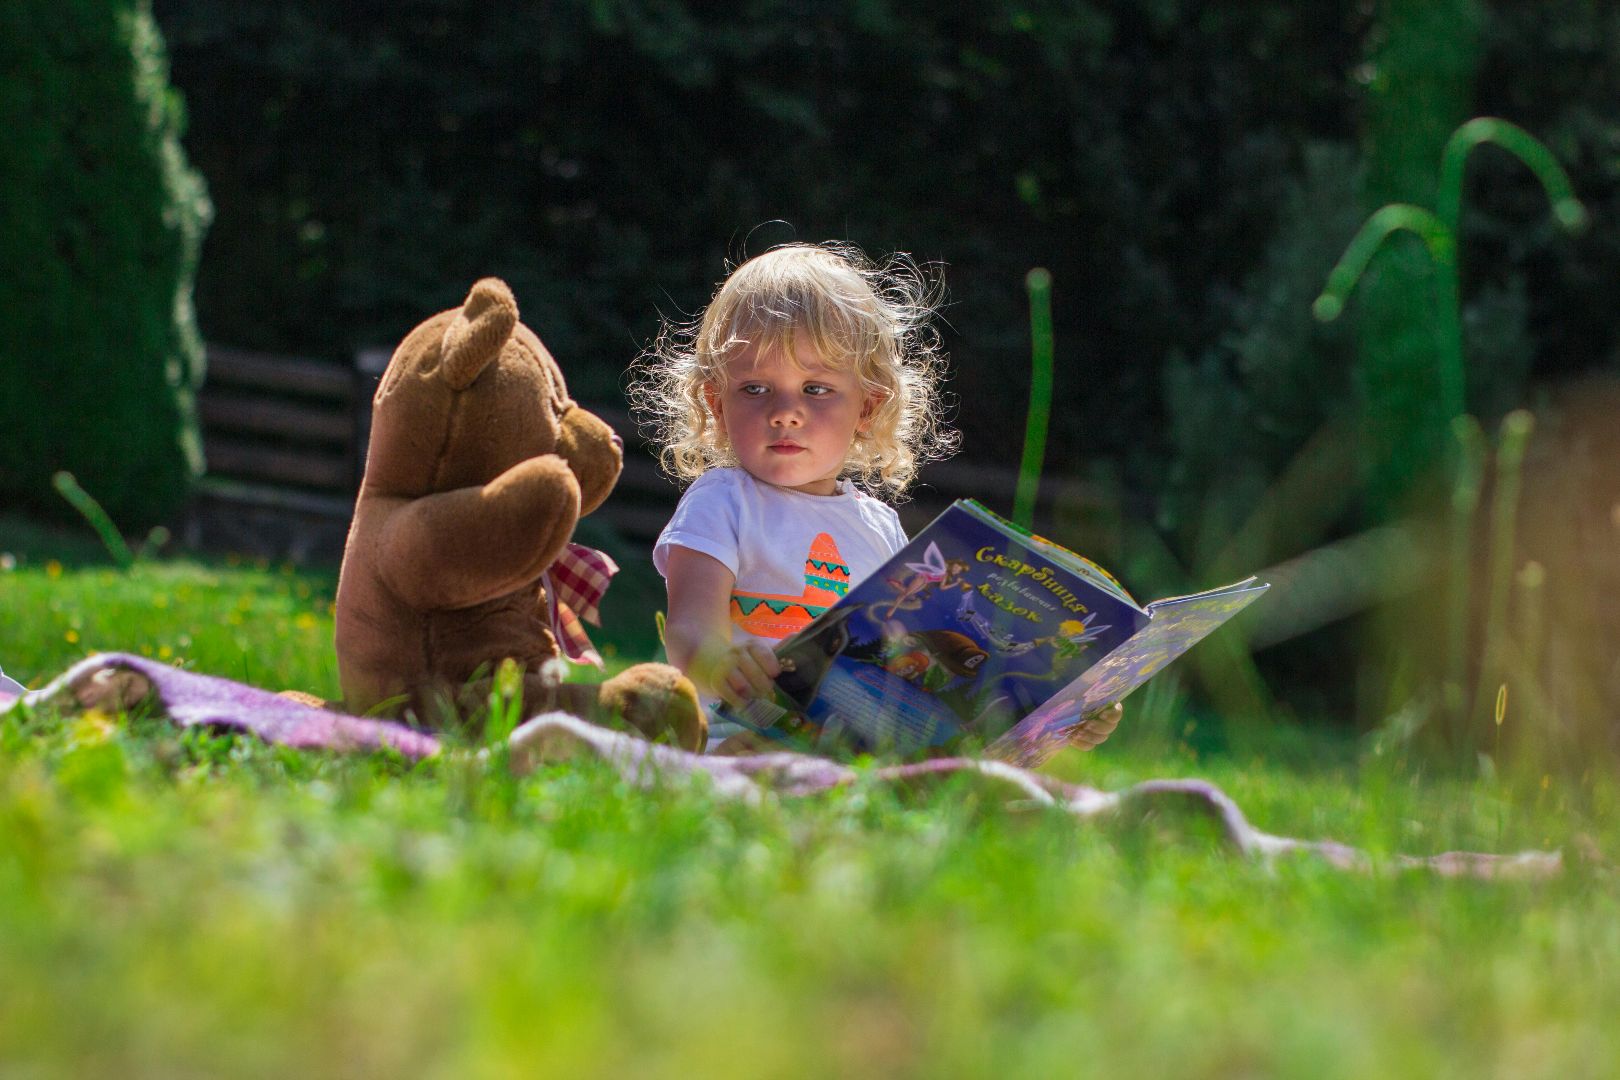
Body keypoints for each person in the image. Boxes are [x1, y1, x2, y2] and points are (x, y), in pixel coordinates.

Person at [633, 241, 1120, 753]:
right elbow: (688, 630)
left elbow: (908, 658)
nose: (785, 412)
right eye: (755, 388)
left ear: (868, 407)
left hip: (858, 750)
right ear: (716, 402)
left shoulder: (879, 526)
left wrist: (1063, 716)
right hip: (741, 733)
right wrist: (720, 664)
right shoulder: (722, 501)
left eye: (816, 389)